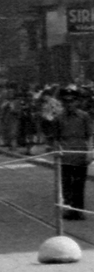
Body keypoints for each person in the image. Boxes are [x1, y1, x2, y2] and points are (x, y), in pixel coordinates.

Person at [51, 87, 91, 219]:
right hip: (66, 156)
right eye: (66, 102)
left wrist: (90, 152)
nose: (69, 104)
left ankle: (78, 210)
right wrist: (57, 152)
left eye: (72, 101)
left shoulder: (84, 117)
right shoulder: (58, 118)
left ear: (77, 102)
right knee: (66, 184)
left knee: (79, 184)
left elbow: (90, 135)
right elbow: (55, 138)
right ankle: (68, 208)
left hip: (80, 154)